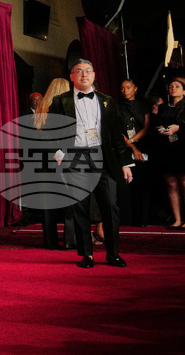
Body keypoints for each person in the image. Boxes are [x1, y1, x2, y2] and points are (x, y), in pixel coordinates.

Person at [48, 59, 133, 268]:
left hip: (103, 157)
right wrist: (59, 155)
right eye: (79, 71)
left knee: (110, 206)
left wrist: (125, 164)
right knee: (80, 208)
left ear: (94, 75)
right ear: (72, 77)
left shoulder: (107, 101)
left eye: (88, 71)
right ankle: (87, 254)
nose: (84, 74)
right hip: (75, 158)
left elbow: (116, 135)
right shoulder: (60, 101)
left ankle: (113, 254)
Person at [37, 78, 76, 250]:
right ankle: (70, 239)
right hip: (61, 156)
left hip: (43, 161)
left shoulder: (41, 108)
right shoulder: (63, 107)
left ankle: (50, 241)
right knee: (72, 199)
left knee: (47, 203)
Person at [117, 79, 151, 227]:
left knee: (142, 182)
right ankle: (126, 218)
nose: (125, 90)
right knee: (126, 183)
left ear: (135, 89)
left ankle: (142, 219)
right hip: (124, 146)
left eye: (128, 87)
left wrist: (133, 141)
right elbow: (116, 128)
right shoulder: (117, 106)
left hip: (142, 144)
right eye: (122, 88)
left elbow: (146, 126)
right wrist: (130, 145)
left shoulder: (143, 105)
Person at [153, 77, 185, 229]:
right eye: (171, 87)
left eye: (177, 86)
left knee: (184, 184)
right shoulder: (163, 107)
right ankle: (177, 219)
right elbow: (157, 124)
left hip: (183, 148)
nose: (173, 89)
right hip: (167, 149)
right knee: (171, 184)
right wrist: (161, 130)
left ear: (184, 91)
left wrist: (179, 128)